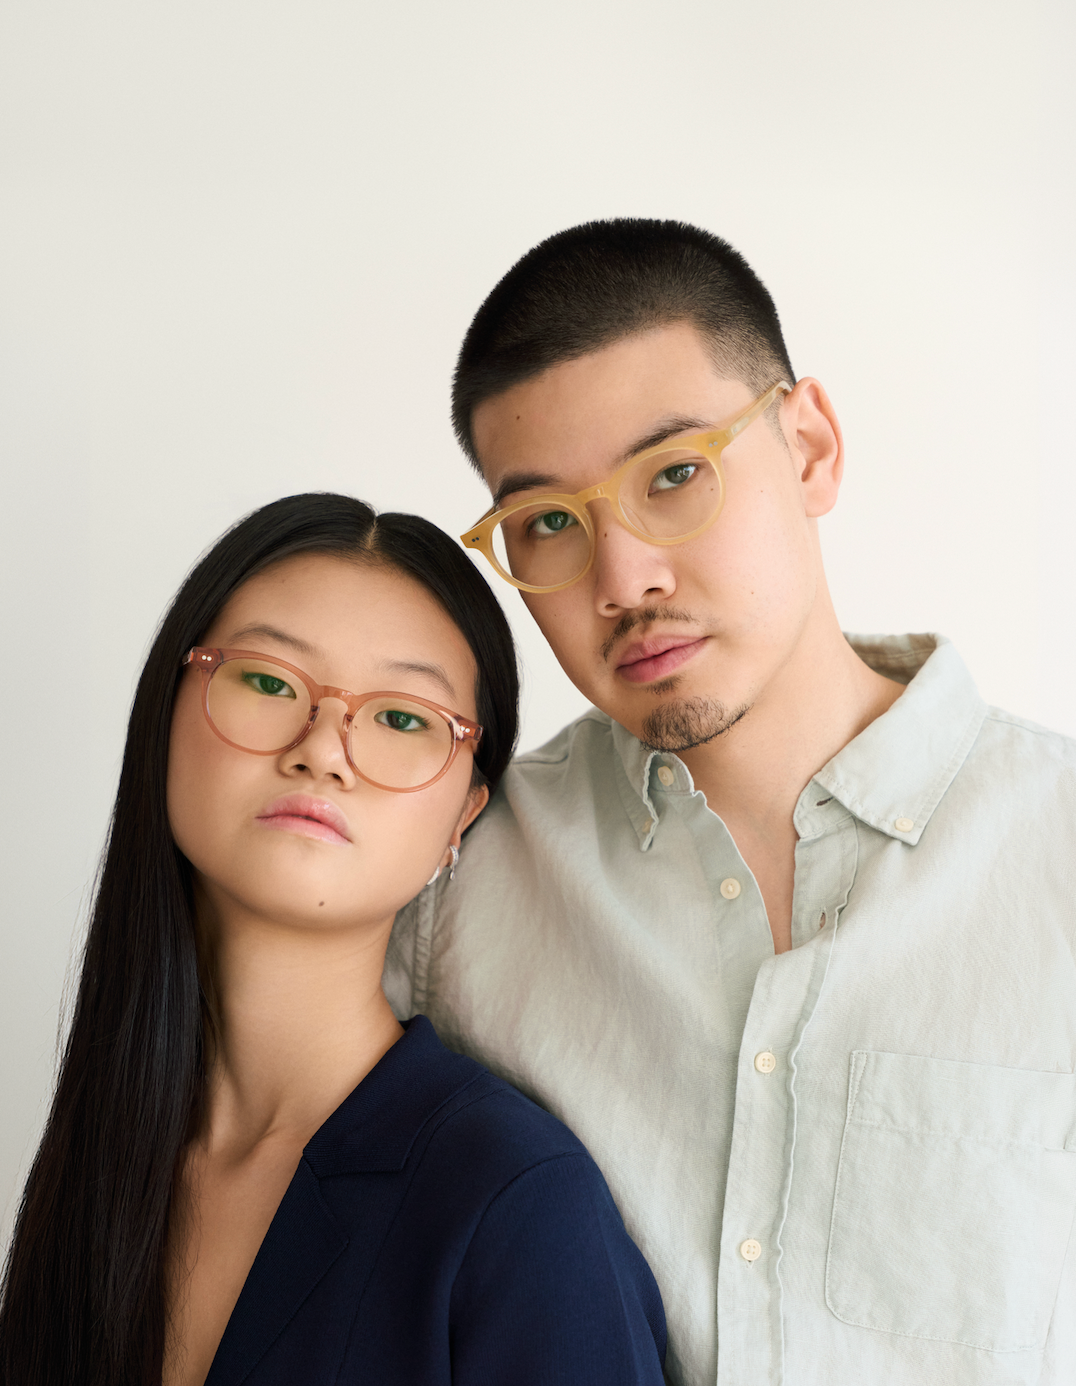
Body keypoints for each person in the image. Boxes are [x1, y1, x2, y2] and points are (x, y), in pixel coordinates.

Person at [386, 220, 1076, 1386]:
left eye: (673, 475)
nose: (623, 580)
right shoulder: (455, 879)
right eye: (547, 523)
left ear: (809, 448)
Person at [0, 493, 667, 1386]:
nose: (322, 749)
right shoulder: (103, 1159)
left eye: (402, 718)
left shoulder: (516, 1201)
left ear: (463, 817)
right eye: (270, 682)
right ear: (165, 713)